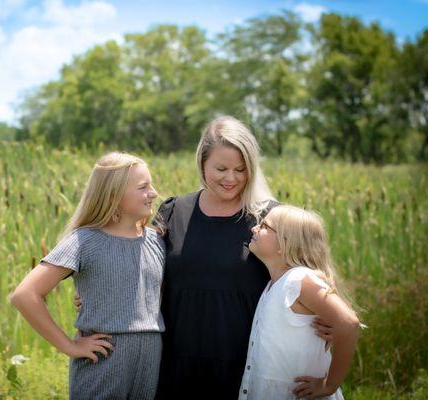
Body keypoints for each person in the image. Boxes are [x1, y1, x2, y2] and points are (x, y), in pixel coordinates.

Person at [74, 116, 333, 399]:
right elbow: (136, 259)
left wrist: (323, 320)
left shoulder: (269, 220)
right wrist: (97, 292)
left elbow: (306, 274)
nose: (231, 178)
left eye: (240, 169)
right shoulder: (174, 211)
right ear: (202, 164)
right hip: (174, 359)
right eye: (221, 168)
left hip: (245, 361)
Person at [9, 151, 166, 400]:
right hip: (104, 361)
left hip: (149, 363)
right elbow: (25, 295)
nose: (153, 193)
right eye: (142, 187)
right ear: (113, 195)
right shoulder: (85, 241)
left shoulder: (156, 241)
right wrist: (69, 346)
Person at [239, 205, 360, 399]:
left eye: (264, 226)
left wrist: (329, 385)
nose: (254, 228)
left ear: (286, 242)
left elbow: (348, 324)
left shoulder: (298, 279)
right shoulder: (274, 284)